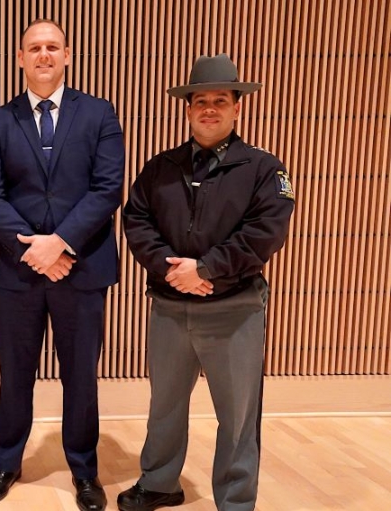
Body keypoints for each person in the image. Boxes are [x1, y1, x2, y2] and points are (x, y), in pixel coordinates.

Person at [118, 54, 295, 511]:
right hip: (170, 309)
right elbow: (136, 219)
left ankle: (235, 501)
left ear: (237, 107)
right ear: (188, 108)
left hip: (234, 312)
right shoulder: (161, 167)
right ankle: (159, 483)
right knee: (165, 406)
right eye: (201, 101)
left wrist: (206, 269)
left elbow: (265, 233)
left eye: (220, 100)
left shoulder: (263, 169)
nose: (210, 108)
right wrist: (170, 268)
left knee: (237, 415)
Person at [0, 19, 125, 511]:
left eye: (52, 47)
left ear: (67, 55)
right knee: (14, 372)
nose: (43, 55)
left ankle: (84, 469)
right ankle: (6, 462)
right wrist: (33, 251)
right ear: (20, 58)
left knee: (80, 372)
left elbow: (107, 189)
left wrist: (58, 244)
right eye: (34, 48)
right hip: (15, 272)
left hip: (80, 269)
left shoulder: (99, 113)